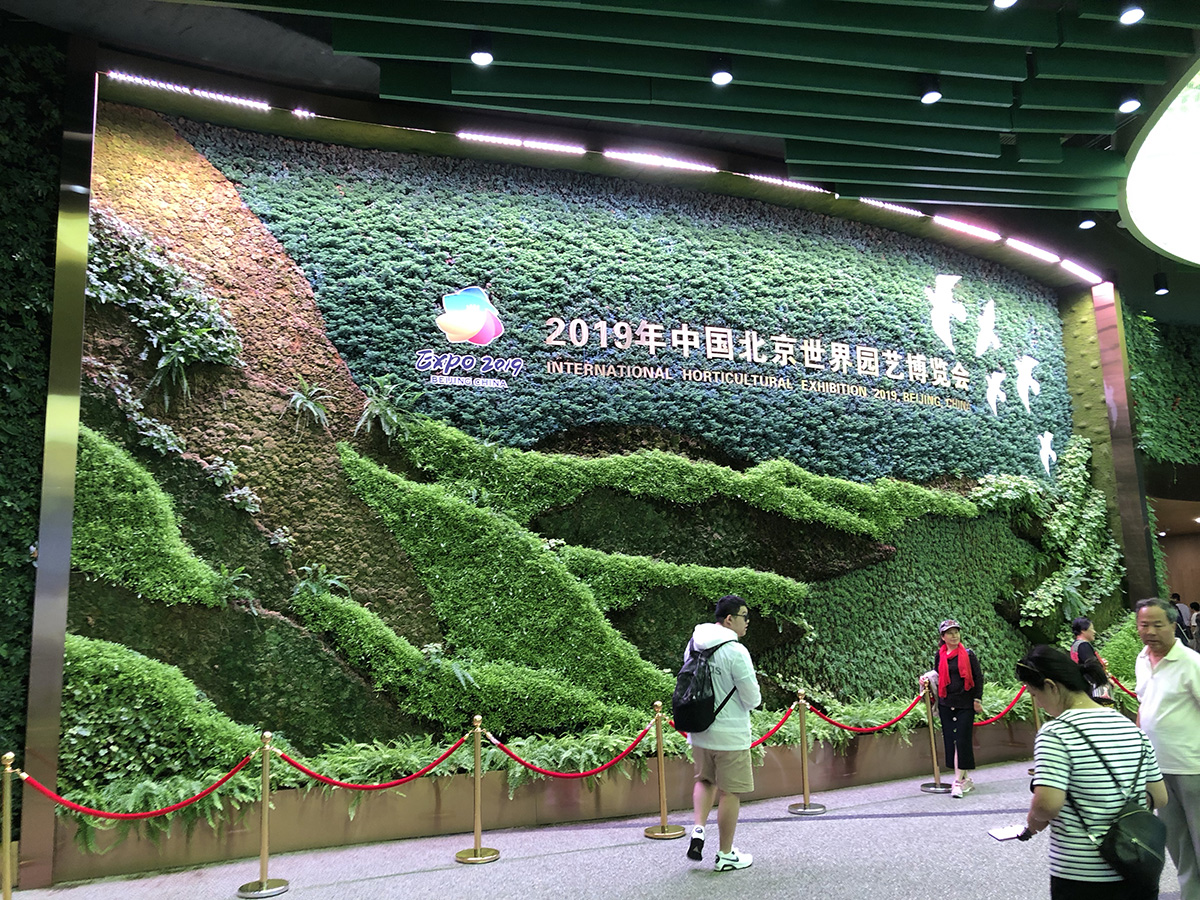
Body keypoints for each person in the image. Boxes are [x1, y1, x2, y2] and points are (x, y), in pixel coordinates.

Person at [1016, 644, 1168, 900]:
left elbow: (1047, 806)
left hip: (1082, 874)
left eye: (1035, 694)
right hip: (1137, 868)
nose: (1038, 704)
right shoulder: (1131, 728)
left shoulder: (1056, 733)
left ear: (1051, 686)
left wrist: (1032, 823)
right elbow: (1159, 797)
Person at [685, 594, 762, 872]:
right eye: (744, 616)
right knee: (730, 793)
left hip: (699, 730)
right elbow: (752, 699)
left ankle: (698, 829)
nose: (747, 622)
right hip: (730, 735)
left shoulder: (694, 643)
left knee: (704, 780)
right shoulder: (736, 651)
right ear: (729, 619)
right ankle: (726, 854)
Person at [1136, 597, 1200, 900]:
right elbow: (1143, 706)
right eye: (1143, 625)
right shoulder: (1141, 659)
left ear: (1174, 625)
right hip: (1157, 770)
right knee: (1177, 844)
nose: (1150, 631)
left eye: (1157, 625)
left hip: (1193, 768)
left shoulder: (1191, 662)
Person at [929, 618, 982, 797]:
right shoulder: (940, 655)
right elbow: (937, 675)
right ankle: (966, 779)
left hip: (965, 703)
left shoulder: (968, 654)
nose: (954, 636)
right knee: (952, 741)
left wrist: (977, 699)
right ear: (943, 637)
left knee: (962, 739)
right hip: (946, 703)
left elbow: (978, 677)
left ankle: (957, 782)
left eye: (956, 632)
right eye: (950, 633)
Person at [1070, 616, 1113, 703]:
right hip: (1092, 688)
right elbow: (1092, 666)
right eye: (1092, 629)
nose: (1094, 632)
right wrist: (1106, 679)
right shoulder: (1084, 645)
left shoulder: (1075, 644)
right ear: (1083, 630)